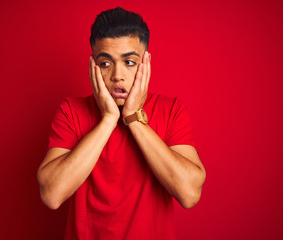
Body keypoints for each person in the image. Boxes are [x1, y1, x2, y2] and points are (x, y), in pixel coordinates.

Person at [37, 7, 206, 239]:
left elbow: (189, 193)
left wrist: (133, 116)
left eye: (129, 62)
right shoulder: (71, 111)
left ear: (145, 62)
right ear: (93, 65)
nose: (117, 75)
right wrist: (108, 119)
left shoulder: (172, 110)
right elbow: (51, 194)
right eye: (105, 63)